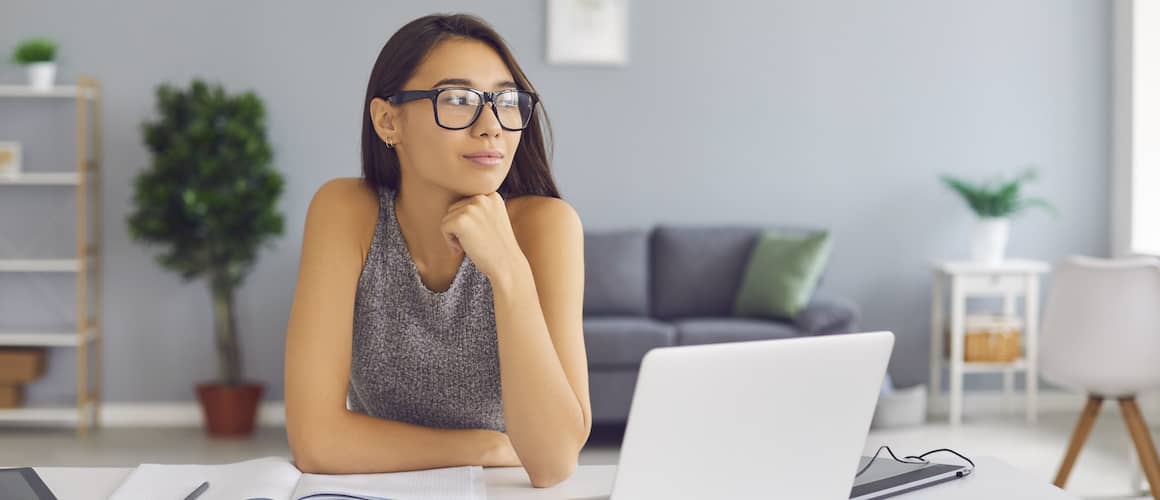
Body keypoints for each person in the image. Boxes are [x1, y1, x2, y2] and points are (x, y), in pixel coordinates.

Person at [283, 13, 590, 488]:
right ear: (389, 120)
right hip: (377, 490)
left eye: (505, 101)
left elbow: (552, 463)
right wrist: (485, 446)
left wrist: (508, 270)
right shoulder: (345, 211)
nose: (492, 126)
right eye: (458, 99)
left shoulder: (548, 227)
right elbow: (316, 442)